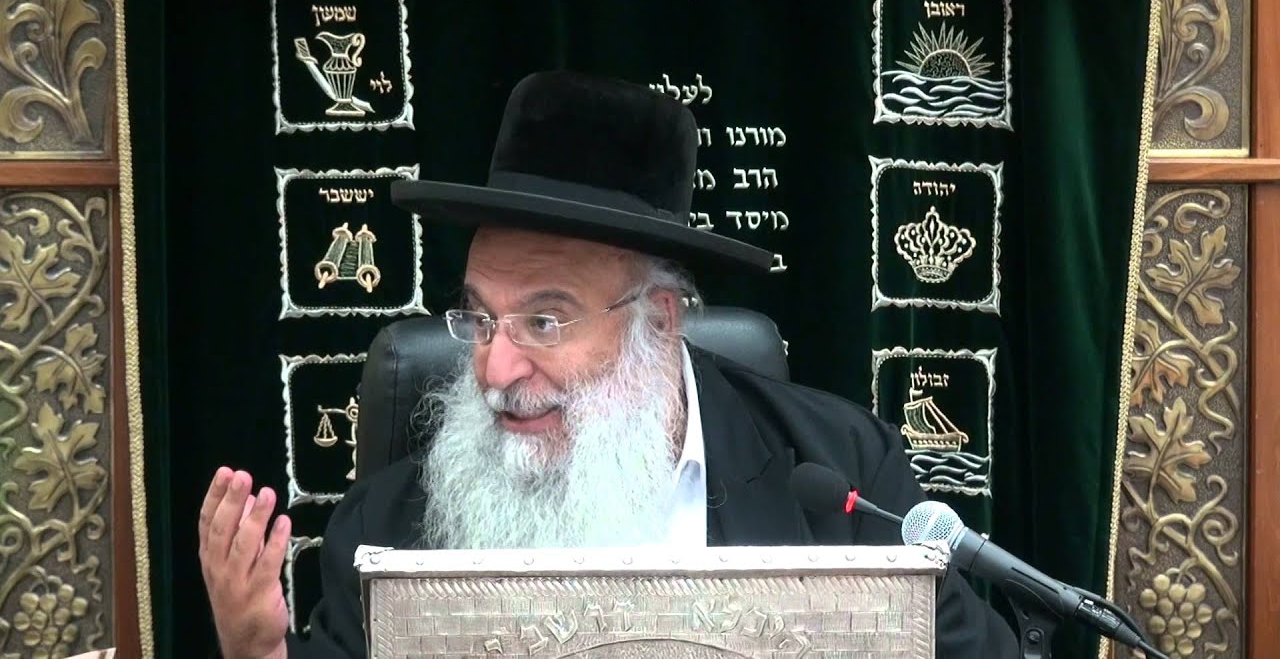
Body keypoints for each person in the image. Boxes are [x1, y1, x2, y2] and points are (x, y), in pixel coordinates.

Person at [197, 71, 1019, 659]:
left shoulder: (844, 478)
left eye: (544, 321)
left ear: (657, 321)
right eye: (480, 317)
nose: (496, 369)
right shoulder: (387, 526)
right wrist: (256, 651)